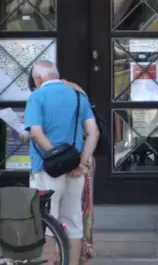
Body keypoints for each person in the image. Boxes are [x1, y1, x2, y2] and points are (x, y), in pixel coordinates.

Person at [24, 61, 100, 265]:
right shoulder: (77, 96)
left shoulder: (36, 97)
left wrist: (57, 158)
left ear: (38, 79)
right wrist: (81, 162)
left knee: (47, 220)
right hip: (75, 169)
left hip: (47, 169)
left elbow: (37, 133)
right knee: (73, 220)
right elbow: (94, 132)